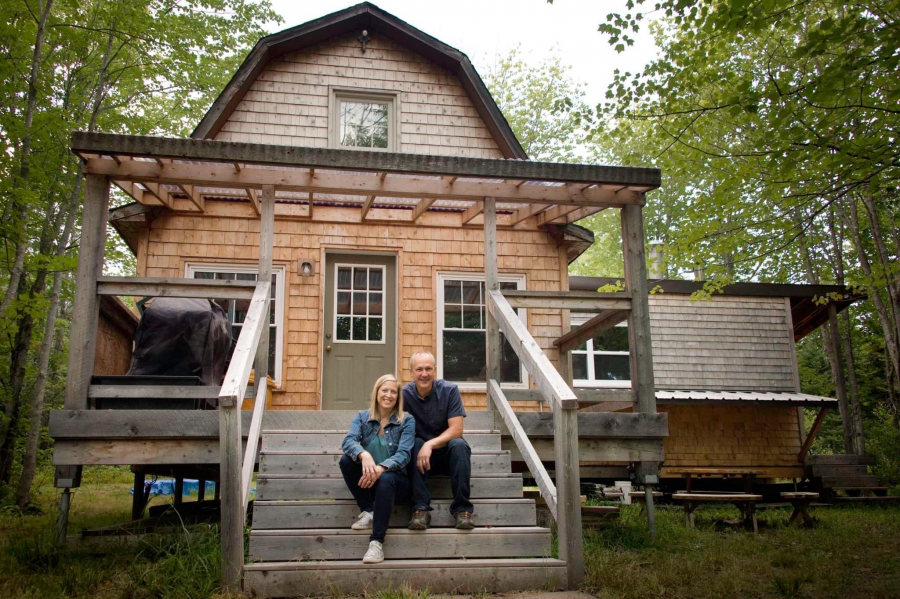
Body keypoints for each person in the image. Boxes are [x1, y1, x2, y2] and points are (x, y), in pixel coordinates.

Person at [340, 374, 415, 564]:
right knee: (346, 461)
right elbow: (348, 441)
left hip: (396, 483)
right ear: (376, 392)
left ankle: (376, 542)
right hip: (369, 481)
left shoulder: (406, 420)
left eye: (393, 392)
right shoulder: (362, 417)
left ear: (398, 397)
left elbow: (404, 454)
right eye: (385, 390)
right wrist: (363, 454)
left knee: (386, 478)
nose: (389, 395)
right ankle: (368, 510)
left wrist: (382, 467)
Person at [402, 351, 474, 530]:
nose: (424, 374)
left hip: (447, 457)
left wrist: (430, 444)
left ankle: (462, 509)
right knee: (414, 443)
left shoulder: (450, 390)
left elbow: (456, 430)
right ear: (411, 372)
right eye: (419, 369)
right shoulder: (403, 395)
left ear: (434, 370)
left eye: (428, 369)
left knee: (459, 444)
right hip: (418, 460)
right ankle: (420, 509)